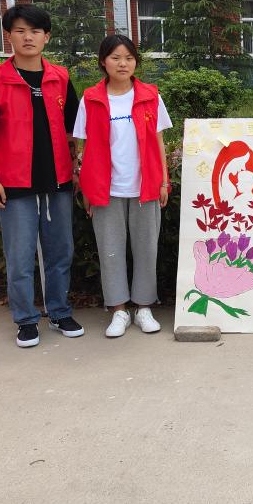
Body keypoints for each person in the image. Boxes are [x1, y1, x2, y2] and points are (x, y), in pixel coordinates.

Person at [0, 4, 83, 348]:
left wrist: (76, 167)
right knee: (19, 257)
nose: (28, 37)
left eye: (35, 31)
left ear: (46, 37)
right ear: (9, 36)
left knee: (60, 251)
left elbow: (74, 129)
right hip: (14, 184)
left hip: (58, 181)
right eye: (20, 31)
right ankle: (26, 319)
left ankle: (59, 311)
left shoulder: (60, 77)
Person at [73, 35, 172, 338]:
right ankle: (118, 310)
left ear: (135, 62)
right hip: (107, 189)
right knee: (110, 252)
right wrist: (87, 188)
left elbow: (159, 141)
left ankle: (143, 308)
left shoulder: (150, 96)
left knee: (146, 250)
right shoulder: (90, 99)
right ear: (103, 62)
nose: (122, 64)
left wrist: (164, 180)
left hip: (145, 186)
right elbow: (82, 147)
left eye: (129, 58)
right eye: (115, 58)